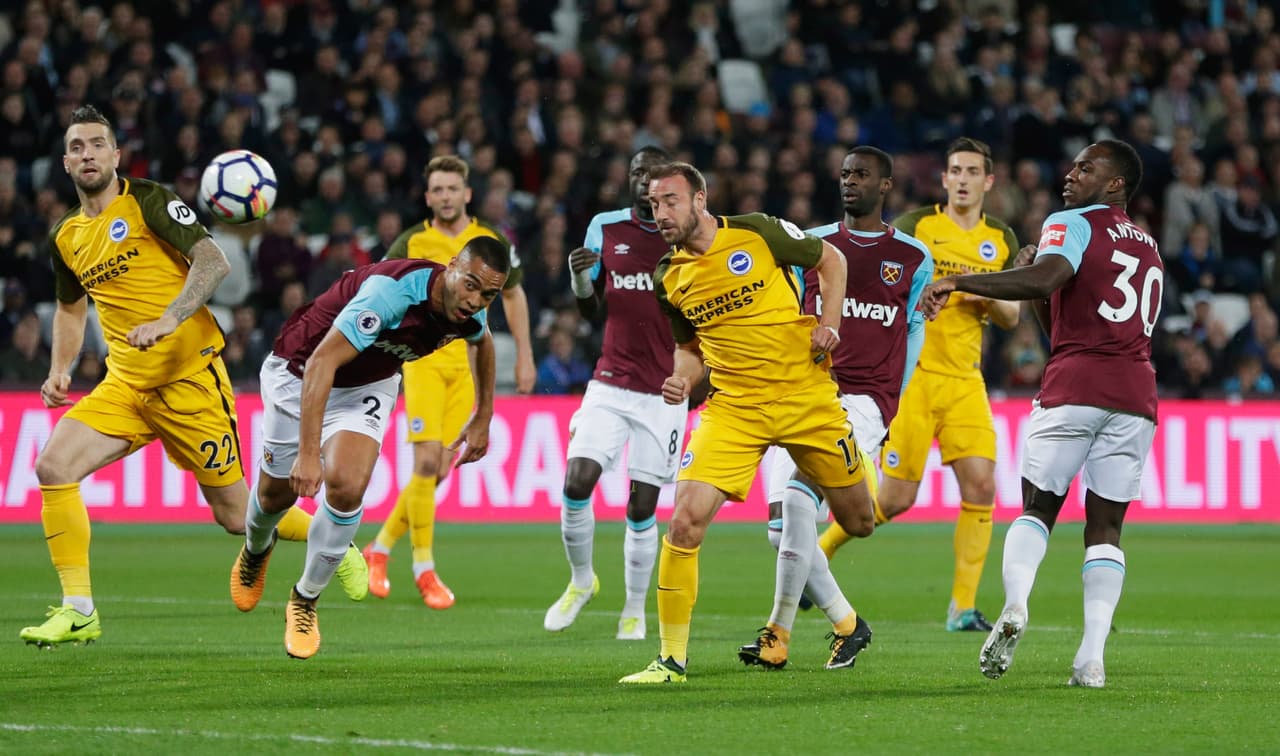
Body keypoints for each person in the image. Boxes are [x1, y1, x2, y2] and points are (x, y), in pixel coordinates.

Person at [19, 105, 362, 649]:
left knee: (235, 514)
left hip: (189, 381)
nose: (88, 154)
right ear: (66, 162)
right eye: (78, 147)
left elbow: (211, 261)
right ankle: (79, 609)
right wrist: (59, 369)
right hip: (126, 385)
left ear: (115, 155)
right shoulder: (66, 235)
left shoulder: (150, 200)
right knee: (53, 466)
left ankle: (336, 540)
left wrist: (169, 318)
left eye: (97, 144)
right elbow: (68, 309)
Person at [618, 162, 876, 684]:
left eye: (670, 201)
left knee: (859, 521)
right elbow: (689, 351)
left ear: (700, 199)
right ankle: (670, 660)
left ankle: (849, 621)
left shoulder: (757, 231)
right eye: (652, 204)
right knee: (684, 521)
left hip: (806, 396)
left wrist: (829, 325)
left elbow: (832, 259)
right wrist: (681, 379)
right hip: (735, 409)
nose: (660, 213)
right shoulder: (668, 276)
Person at [922, 139, 1162, 689]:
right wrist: (1035, 283)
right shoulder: (1147, 245)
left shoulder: (1073, 222)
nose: (1071, 174)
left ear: (1116, 183)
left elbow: (1048, 282)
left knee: (1038, 508)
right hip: (1135, 395)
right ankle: (1092, 657)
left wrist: (959, 281)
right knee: (1105, 528)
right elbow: (1060, 313)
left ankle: (1016, 604)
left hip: (1076, 385)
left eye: (1086, 167)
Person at [229, 237, 509, 659]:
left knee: (346, 486)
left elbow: (482, 341)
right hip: (302, 370)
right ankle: (256, 548)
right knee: (275, 495)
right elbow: (322, 363)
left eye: (488, 294)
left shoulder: (467, 310)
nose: (475, 300)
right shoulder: (393, 292)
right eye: (470, 285)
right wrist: (308, 453)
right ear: (451, 266)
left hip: (365, 386)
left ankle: (305, 600)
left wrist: (483, 414)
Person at [814, 137, 1020, 632]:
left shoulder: (1001, 238)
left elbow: (1012, 315)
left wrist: (970, 284)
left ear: (988, 181)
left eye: (973, 170)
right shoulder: (917, 229)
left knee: (982, 486)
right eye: (956, 170)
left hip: (966, 381)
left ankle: (962, 608)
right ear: (945, 179)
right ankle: (816, 556)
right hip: (915, 376)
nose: (964, 179)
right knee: (894, 501)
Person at [744, 146, 932, 670]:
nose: (850, 182)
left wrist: (892, 401)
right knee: (781, 530)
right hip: (803, 390)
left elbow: (914, 328)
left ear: (886, 186)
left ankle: (776, 634)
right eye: (845, 174)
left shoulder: (913, 257)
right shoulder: (814, 244)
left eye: (862, 175)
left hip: (862, 400)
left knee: (803, 496)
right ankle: (848, 626)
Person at [362, 155, 536, 609]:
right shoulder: (412, 240)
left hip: (469, 366)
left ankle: (378, 550)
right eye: (437, 190)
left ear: (466, 194)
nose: (444, 197)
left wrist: (525, 356)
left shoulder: (490, 241)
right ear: (427, 196)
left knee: (438, 470)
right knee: (425, 465)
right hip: (423, 361)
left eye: (451, 189)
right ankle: (425, 570)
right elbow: (377, 285)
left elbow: (514, 293)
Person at [542, 147, 689, 641]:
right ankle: (581, 581)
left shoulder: (686, 235)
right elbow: (592, 314)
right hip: (610, 382)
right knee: (576, 481)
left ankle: (633, 608)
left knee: (641, 507)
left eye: (650, 173)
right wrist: (580, 278)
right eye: (635, 172)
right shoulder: (605, 227)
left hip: (664, 393)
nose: (641, 179)